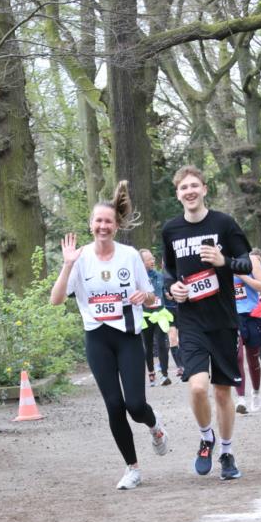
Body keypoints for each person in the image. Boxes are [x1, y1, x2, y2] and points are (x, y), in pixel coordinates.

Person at [50, 182, 169, 491]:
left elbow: (154, 299)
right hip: (97, 339)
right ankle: (132, 468)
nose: (103, 226)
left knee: (135, 404)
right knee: (114, 406)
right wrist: (67, 265)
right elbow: (56, 300)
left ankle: (155, 428)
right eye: (98, 221)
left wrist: (145, 297)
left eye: (108, 221)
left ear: (116, 225)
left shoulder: (129, 256)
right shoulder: (80, 258)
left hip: (128, 336)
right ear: (91, 225)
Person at [162, 164, 253, 481]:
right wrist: (170, 289)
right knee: (198, 388)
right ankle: (206, 437)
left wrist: (223, 261)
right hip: (191, 323)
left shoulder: (224, 224)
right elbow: (169, 272)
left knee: (223, 394)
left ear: (204, 189)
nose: (189, 191)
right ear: (178, 194)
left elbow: (248, 264)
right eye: (183, 187)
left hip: (224, 321)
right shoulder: (171, 230)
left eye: (194, 186)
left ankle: (226, 453)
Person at [234, 252, 261, 414]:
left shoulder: (252, 260)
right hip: (233, 317)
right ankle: (241, 399)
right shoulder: (221, 260)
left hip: (252, 314)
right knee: (237, 356)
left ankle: (256, 394)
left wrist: (243, 276)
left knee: (253, 360)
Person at [139, 249, 172, 386]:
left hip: (160, 314)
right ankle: (151, 373)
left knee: (162, 343)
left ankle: (164, 375)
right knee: (148, 345)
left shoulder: (160, 276)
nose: (152, 261)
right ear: (141, 262)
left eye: (152, 259)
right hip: (145, 315)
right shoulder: (137, 278)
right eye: (149, 259)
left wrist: (168, 294)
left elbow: (164, 290)